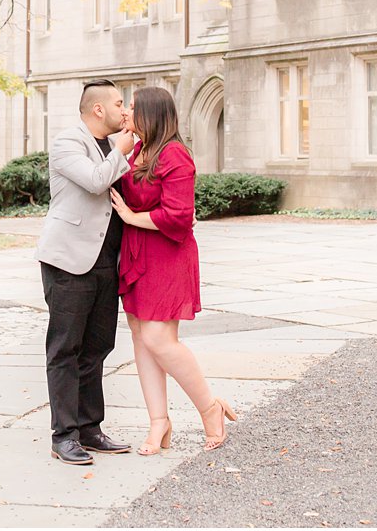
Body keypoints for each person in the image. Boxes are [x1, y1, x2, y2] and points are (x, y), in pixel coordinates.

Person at [110, 86, 238, 454]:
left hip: (167, 254)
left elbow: (180, 216)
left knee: (158, 339)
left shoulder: (175, 155)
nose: (127, 114)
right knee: (140, 337)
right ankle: (158, 422)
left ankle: (210, 408)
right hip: (137, 253)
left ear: (151, 114)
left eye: (133, 108)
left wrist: (134, 216)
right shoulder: (136, 150)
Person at [36, 79, 138, 465]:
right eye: (118, 102)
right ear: (98, 110)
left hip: (105, 261)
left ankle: (90, 428)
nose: (123, 108)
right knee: (65, 348)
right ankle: (63, 435)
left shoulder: (113, 146)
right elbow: (96, 181)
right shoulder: (67, 143)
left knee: (97, 347)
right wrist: (124, 150)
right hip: (68, 261)